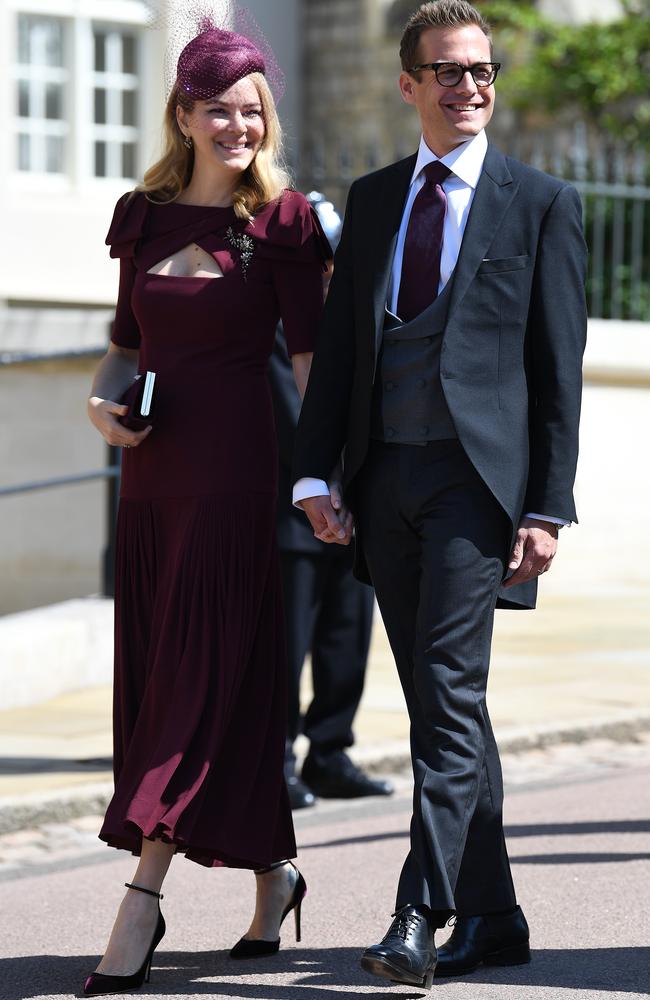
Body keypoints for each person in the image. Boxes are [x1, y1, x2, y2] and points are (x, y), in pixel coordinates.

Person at [293, 0, 587, 990]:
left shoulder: (538, 202)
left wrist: (546, 506)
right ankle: (496, 917)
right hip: (382, 485)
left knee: (446, 705)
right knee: (441, 709)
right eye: (448, 72)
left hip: (474, 492)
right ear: (407, 84)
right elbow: (338, 353)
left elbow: (558, 371)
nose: (470, 87)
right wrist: (311, 469)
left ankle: (419, 911)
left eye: (481, 70)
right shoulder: (373, 198)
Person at [84, 22, 331, 996]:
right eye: (220, 107)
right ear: (183, 114)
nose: (239, 123)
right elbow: (121, 345)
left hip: (237, 482)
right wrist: (99, 408)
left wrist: (324, 480)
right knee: (173, 688)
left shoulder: (283, 223)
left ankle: (140, 902)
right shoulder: (138, 216)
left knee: (196, 682)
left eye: (253, 108)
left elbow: (310, 372)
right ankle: (275, 875)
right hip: (149, 489)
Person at [270, 193, 393, 809]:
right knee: (286, 642)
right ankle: (276, 761)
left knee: (347, 633)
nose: (327, 270)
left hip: (357, 500)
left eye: (333, 259)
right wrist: (324, 481)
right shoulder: (276, 321)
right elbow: (292, 414)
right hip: (293, 504)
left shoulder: (357, 316)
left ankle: (329, 752)